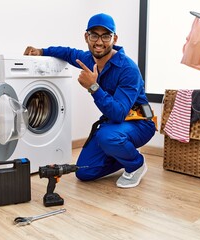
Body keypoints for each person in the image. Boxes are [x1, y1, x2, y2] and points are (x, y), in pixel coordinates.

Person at [24, 13, 156, 188]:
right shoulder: (88, 58)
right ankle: (124, 152)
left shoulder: (128, 69)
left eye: (106, 36)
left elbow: (118, 113)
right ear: (86, 37)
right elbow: (68, 53)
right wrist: (42, 51)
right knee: (84, 172)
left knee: (108, 136)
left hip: (139, 123)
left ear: (114, 39)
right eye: (94, 35)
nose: (99, 42)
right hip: (115, 125)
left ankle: (136, 164)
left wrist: (93, 87)